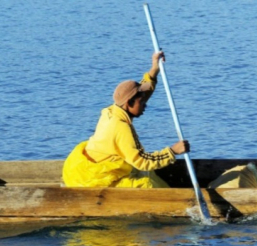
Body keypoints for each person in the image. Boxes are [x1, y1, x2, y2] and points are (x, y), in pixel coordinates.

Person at [62, 51, 189, 188]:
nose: (145, 104)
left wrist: (154, 69)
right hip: (93, 178)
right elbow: (142, 161)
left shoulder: (111, 110)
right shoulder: (122, 128)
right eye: (141, 102)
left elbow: (142, 94)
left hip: (80, 168)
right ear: (128, 103)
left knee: (148, 172)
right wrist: (172, 151)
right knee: (147, 184)